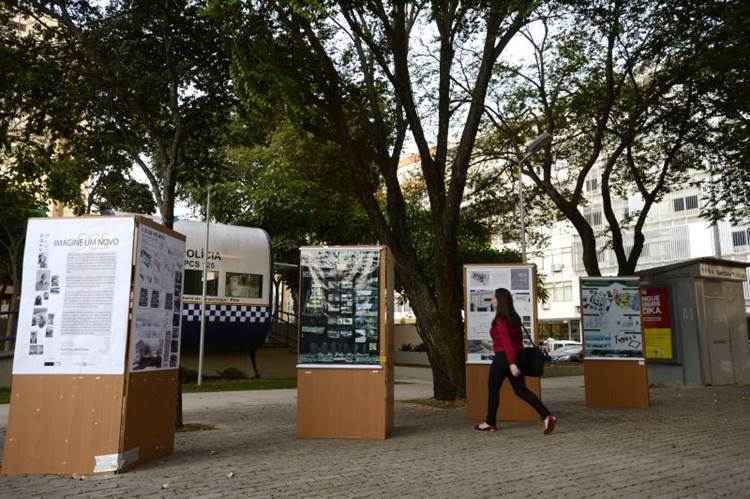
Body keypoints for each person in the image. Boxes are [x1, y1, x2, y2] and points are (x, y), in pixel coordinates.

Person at [474, 287, 557, 434]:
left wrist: (511, 363)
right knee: (521, 390)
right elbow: (517, 342)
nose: (492, 300)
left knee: (493, 390)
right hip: (516, 357)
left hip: (503, 358)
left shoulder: (501, 319)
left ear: (499, 300)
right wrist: (514, 361)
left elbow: (507, 342)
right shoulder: (514, 317)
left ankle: (490, 422)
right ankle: (547, 416)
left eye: (493, 298)